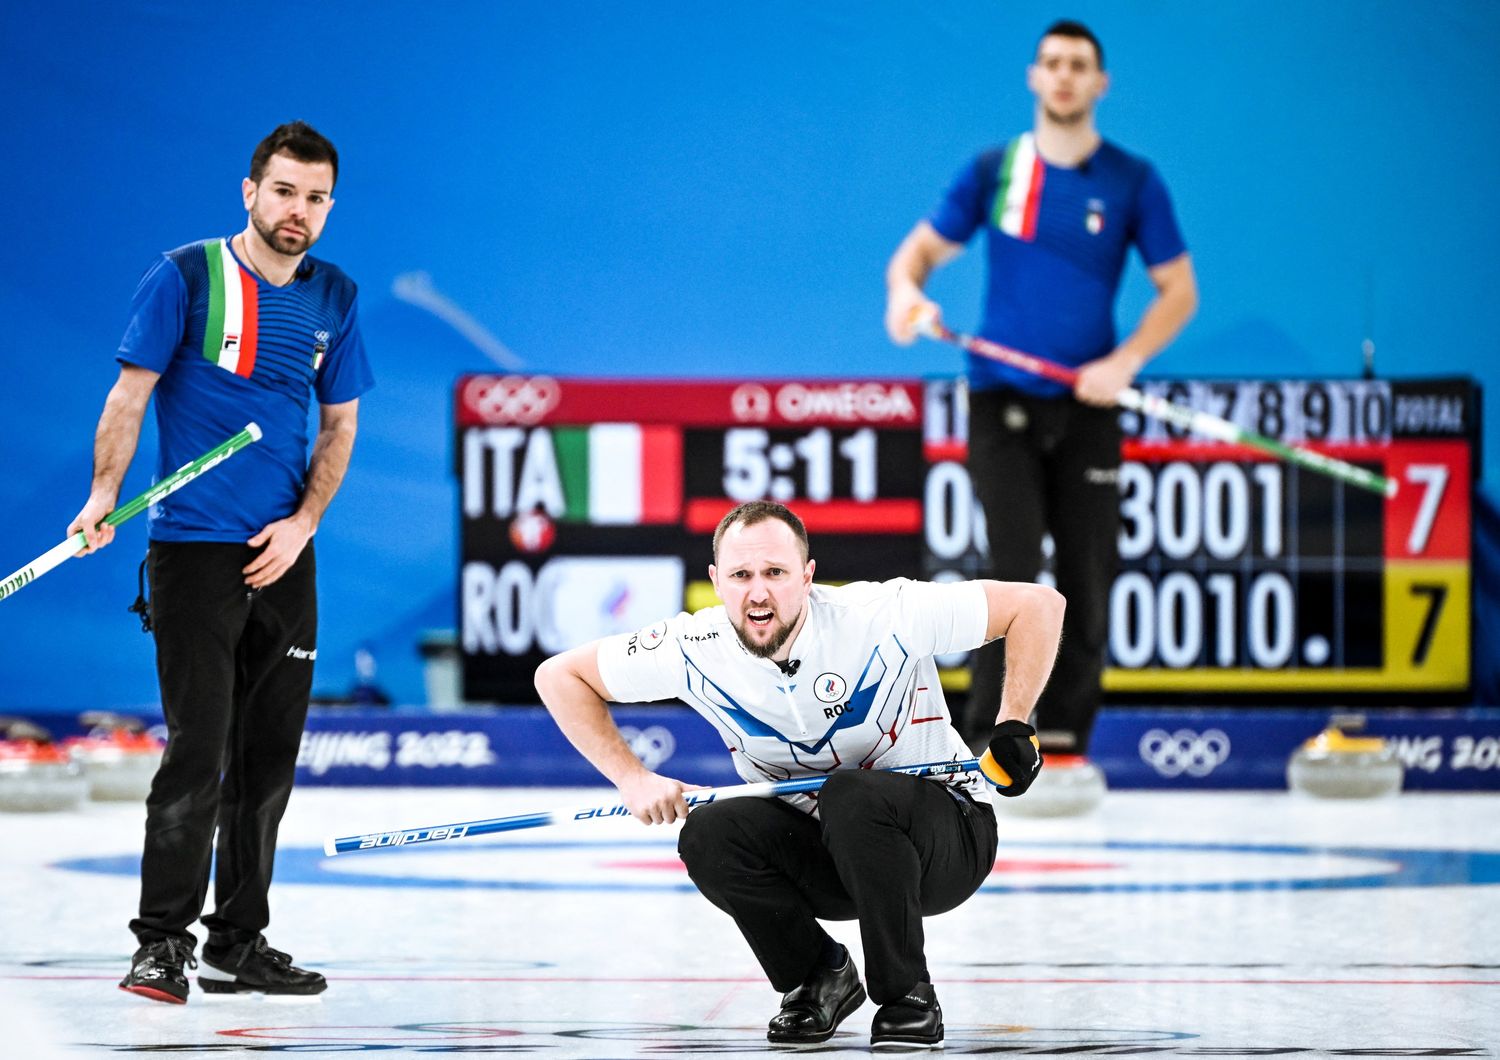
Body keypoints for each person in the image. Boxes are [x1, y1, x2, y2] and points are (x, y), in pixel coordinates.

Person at [534, 501, 1063, 1048]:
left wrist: (1014, 724)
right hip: (829, 855)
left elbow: (1037, 605)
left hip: (945, 840)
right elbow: (559, 676)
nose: (757, 593)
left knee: (852, 794)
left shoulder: (882, 615)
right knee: (709, 832)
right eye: (740, 576)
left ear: (807, 577)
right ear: (716, 581)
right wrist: (632, 777)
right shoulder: (692, 648)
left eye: (775, 573)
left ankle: (907, 994)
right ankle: (819, 977)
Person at [70, 121, 374, 1004]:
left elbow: (342, 425)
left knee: (269, 757)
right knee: (197, 752)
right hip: (194, 554)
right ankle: (160, 944)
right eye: (284, 192)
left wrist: (305, 523)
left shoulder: (334, 296)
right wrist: (102, 497)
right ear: (250, 191)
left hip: (285, 558)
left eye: (316, 198)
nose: (299, 212)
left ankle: (237, 942)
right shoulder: (186, 275)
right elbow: (130, 394)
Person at [885, 20, 1197, 758]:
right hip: (1001, 403)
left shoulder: (1133, 181)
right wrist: (907, 299)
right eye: (1051, 63)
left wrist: (1124, 362)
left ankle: (1065, 741)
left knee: (1088, 573)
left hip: (1089, 407)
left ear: (1100, 83)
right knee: (1010, 570)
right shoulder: (997, 170)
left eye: (1078, 65)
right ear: (1034, 77)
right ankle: (989, 740)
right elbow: (916, 258)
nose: (1063, 76)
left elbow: (1178, 291)